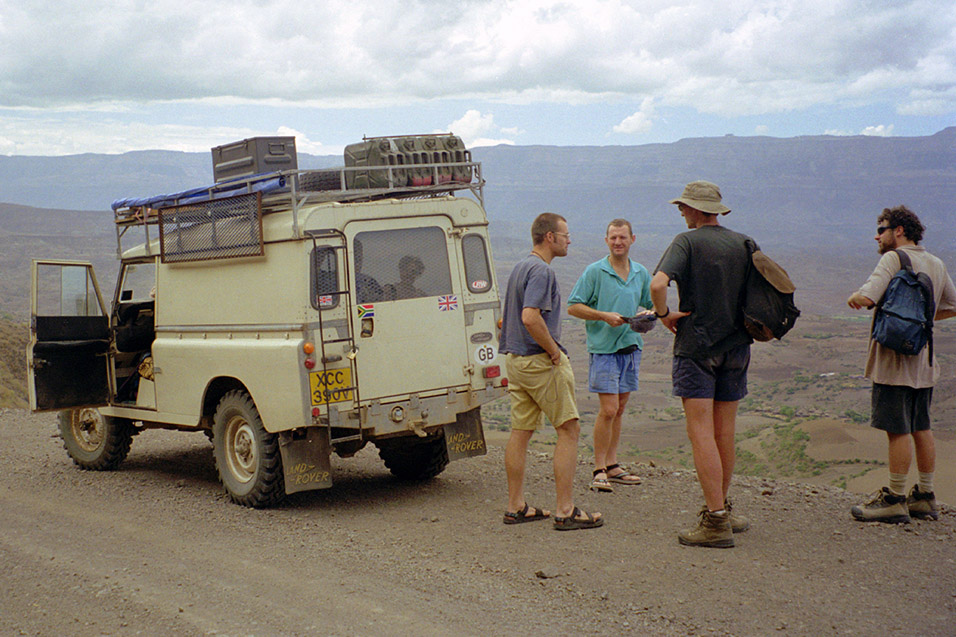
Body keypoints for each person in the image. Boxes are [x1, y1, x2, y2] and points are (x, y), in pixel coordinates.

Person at [650, 181, 753, 548]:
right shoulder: (743, 242)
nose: (680, 212)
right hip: (738, 347)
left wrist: (663, 315)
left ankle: (715, 521)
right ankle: (723, 506)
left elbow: (658, 283)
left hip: (697, 346)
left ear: (695, 209)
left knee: (701, 433)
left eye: (683, 207)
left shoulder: (687, 242)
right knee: (725, 432)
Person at [846, 205, 956, 523]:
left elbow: (868, 297)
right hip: (923, 358)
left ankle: (894, 499)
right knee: (921, 426)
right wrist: (922, 319)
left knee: (897, 430)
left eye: (881, 229)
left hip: (894, 361)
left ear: (898, 231)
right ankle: (924, 495)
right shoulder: (935, 262)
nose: (876, 235)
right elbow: (952, 304)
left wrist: (855, 297)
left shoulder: (893, 258)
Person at [499, 212, 603, 531]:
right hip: (539, 362)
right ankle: (565, 510)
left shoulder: (519, 267)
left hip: (515, 361)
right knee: (568, 430)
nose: (569, 240)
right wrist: (554, 351)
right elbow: (530, 317)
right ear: (549, 237)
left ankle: (516, 506)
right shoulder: (542, 271)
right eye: (565, 234)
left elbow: (511, 318)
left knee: (521, 431)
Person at [568, 219, 653, 492]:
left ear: (632, 239)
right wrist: (603, 316)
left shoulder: (640, 273)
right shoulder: (595, 271)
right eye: (613, 237)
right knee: (608, 410)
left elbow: (653, 307)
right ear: (606, 240)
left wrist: (648, 316)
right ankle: (599, 468)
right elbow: (573, 306)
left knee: (620, 409)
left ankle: (613, 465)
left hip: (630, 347)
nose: (618, 242)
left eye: (623, 237)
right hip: (604, 349)